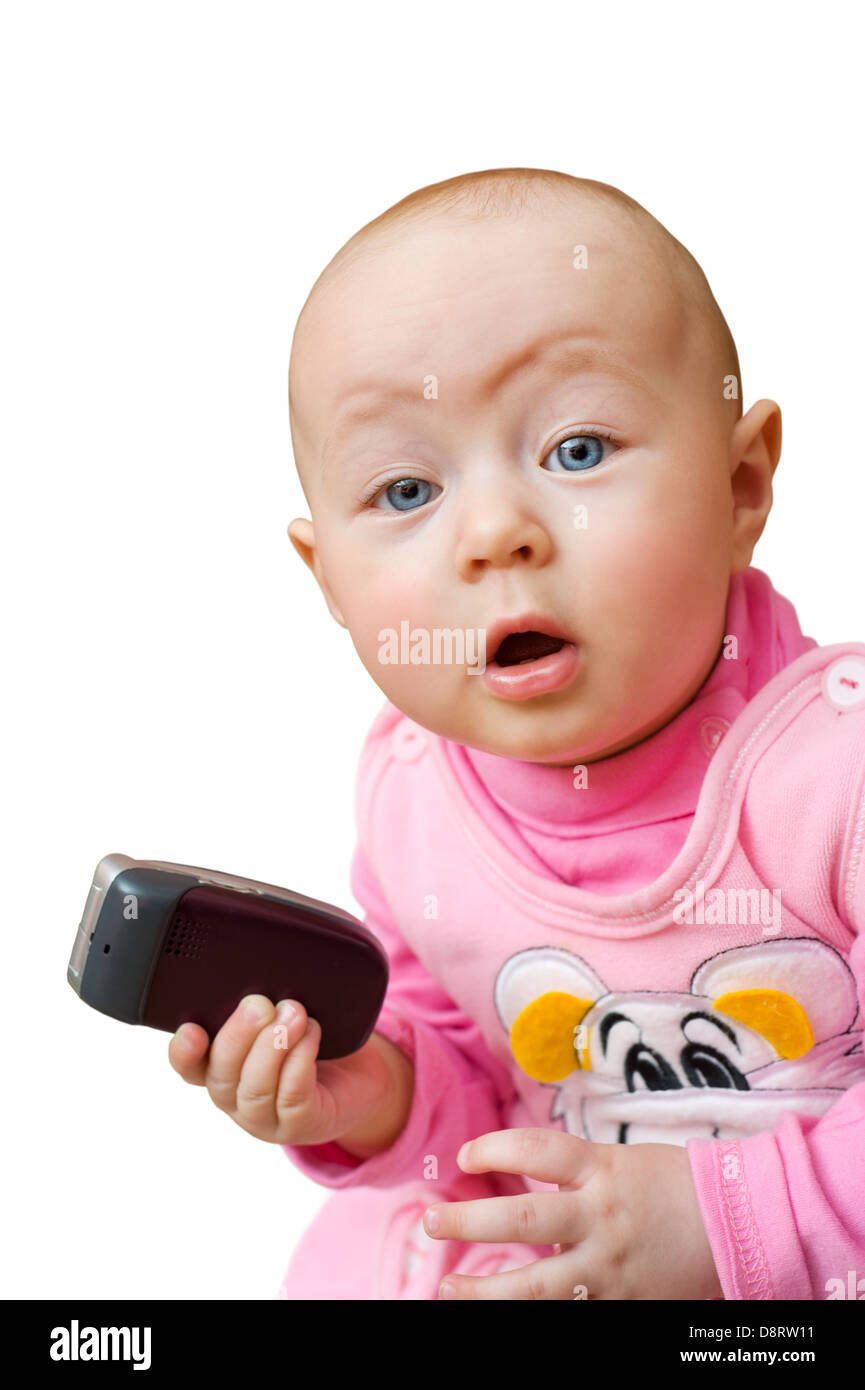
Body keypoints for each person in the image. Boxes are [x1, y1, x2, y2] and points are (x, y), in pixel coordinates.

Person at [170, 168, 865, 1300]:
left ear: (741, 486)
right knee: (357, 1258)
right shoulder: (412, 796)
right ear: (327, 580)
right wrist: (375, 1088)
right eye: (403, 491)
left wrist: (729, 1222)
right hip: (580, 1244)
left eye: (577, 451)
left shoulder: (837, 770)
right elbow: (472, 1083)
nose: (494, 532)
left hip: (813, 1254)